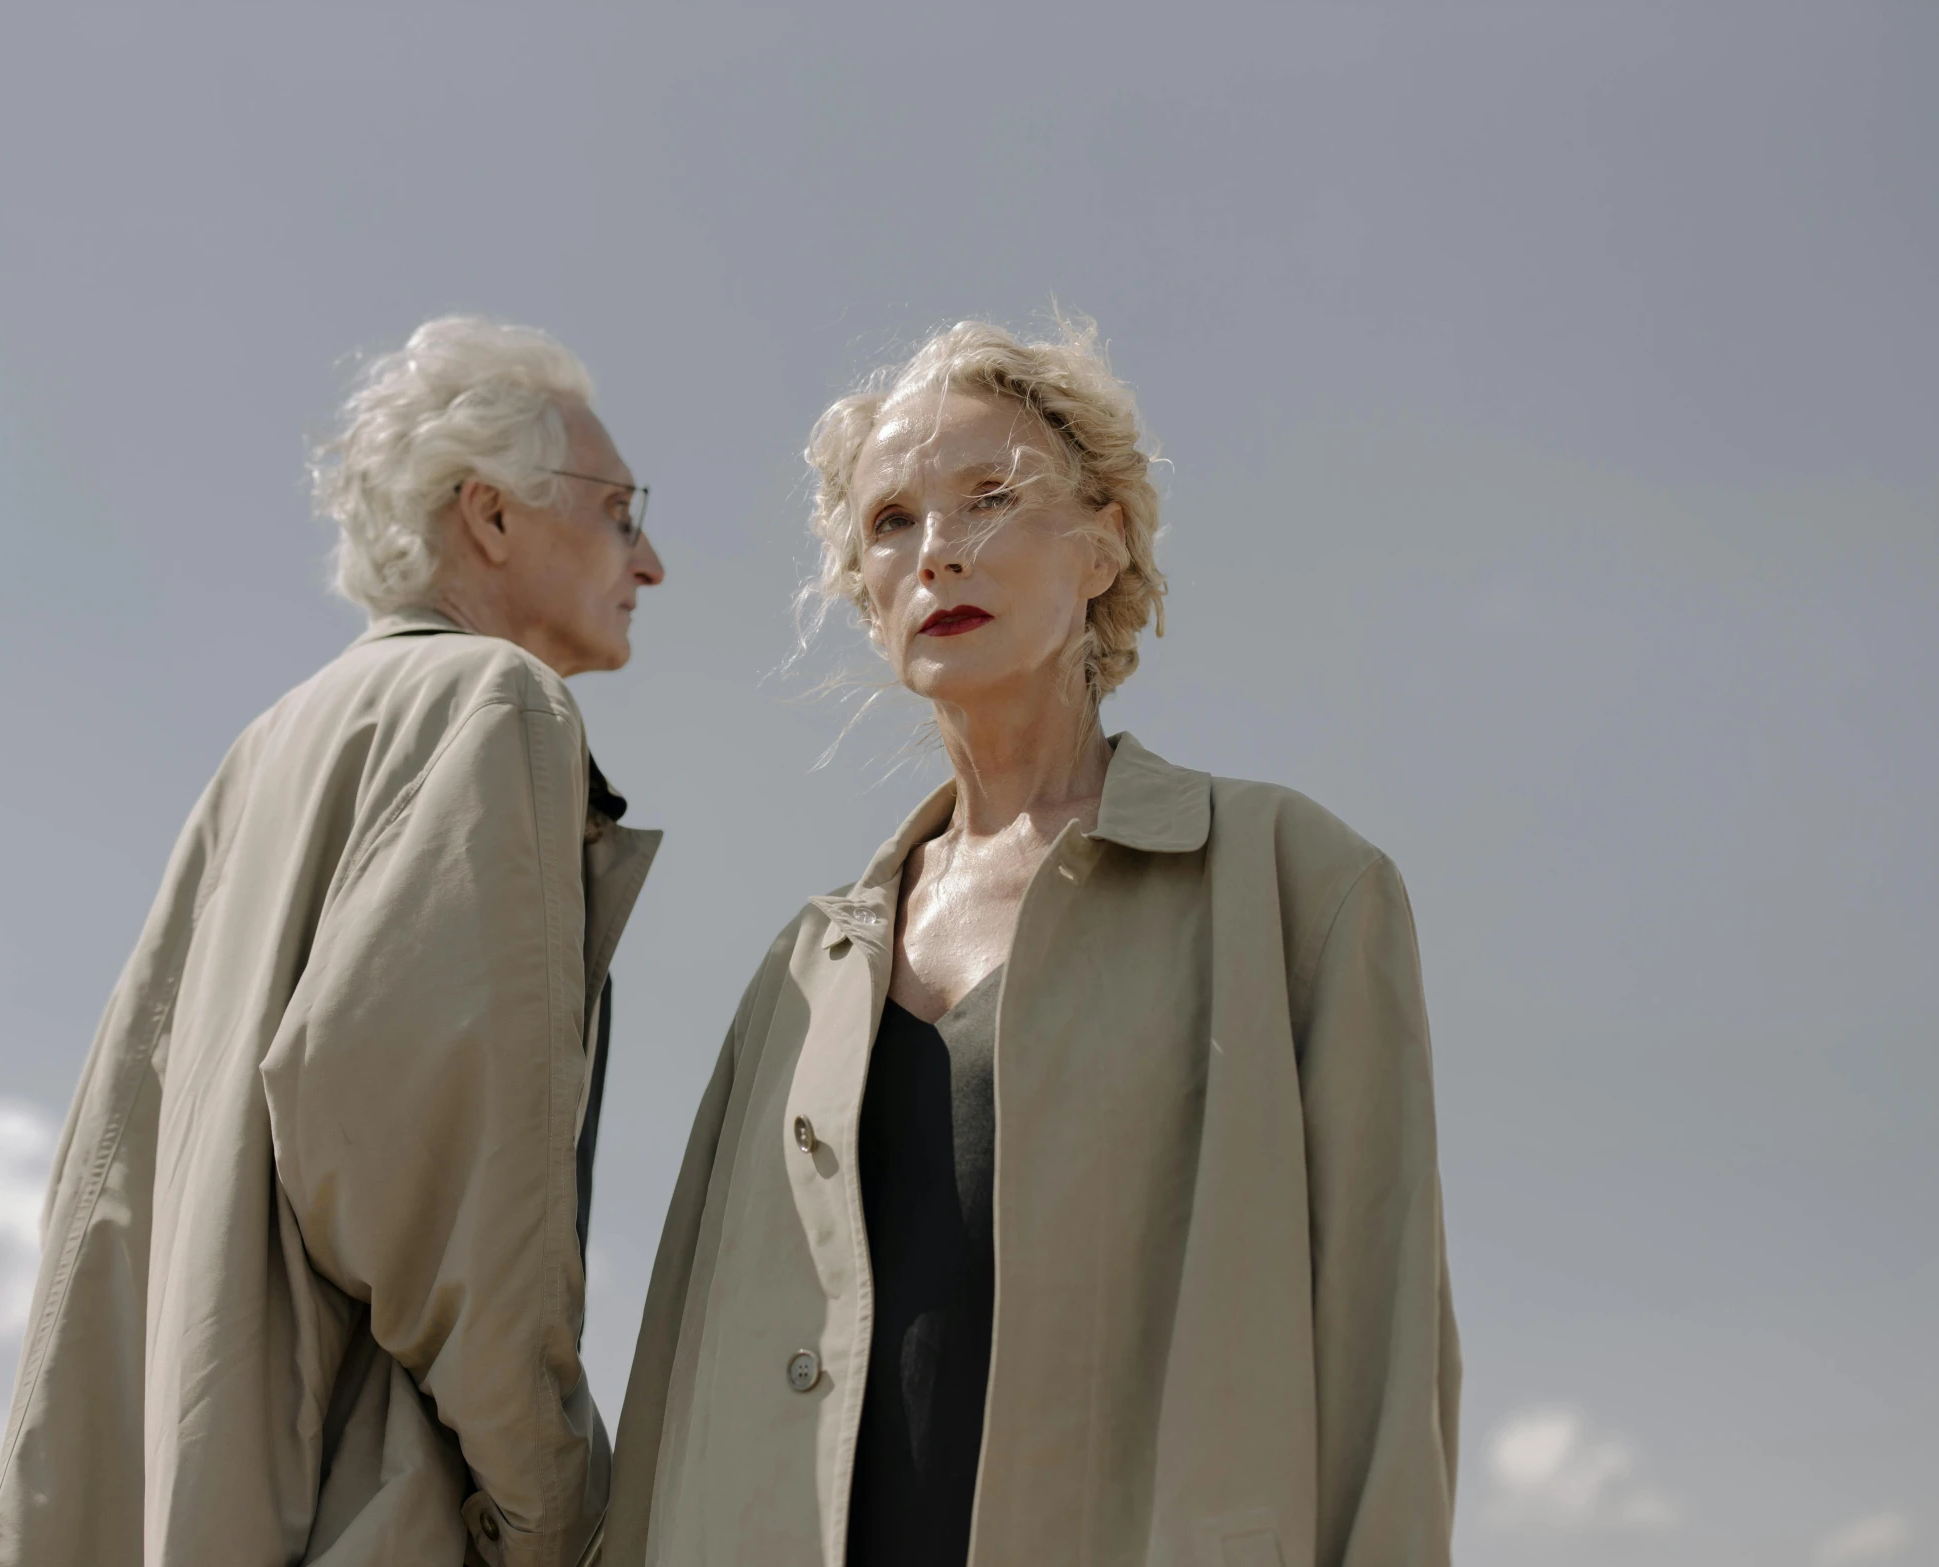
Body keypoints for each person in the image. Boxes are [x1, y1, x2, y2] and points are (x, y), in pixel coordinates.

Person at [607, 321, 1457, 1567]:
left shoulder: (1299, 888)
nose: (938, 549)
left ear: (1105, 541)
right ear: (862, 591)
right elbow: (681, 1385)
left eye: (991, 498)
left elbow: (1388, 1368)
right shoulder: (798, 977)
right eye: (890, 521)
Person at [0, 317, 666, 1567]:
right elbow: (443, 1181)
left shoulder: (268, 747)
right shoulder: (490, 700)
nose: (653, 560)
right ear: (492, 516)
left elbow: (108, 1185)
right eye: (621, 511)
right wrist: (560, 1512)